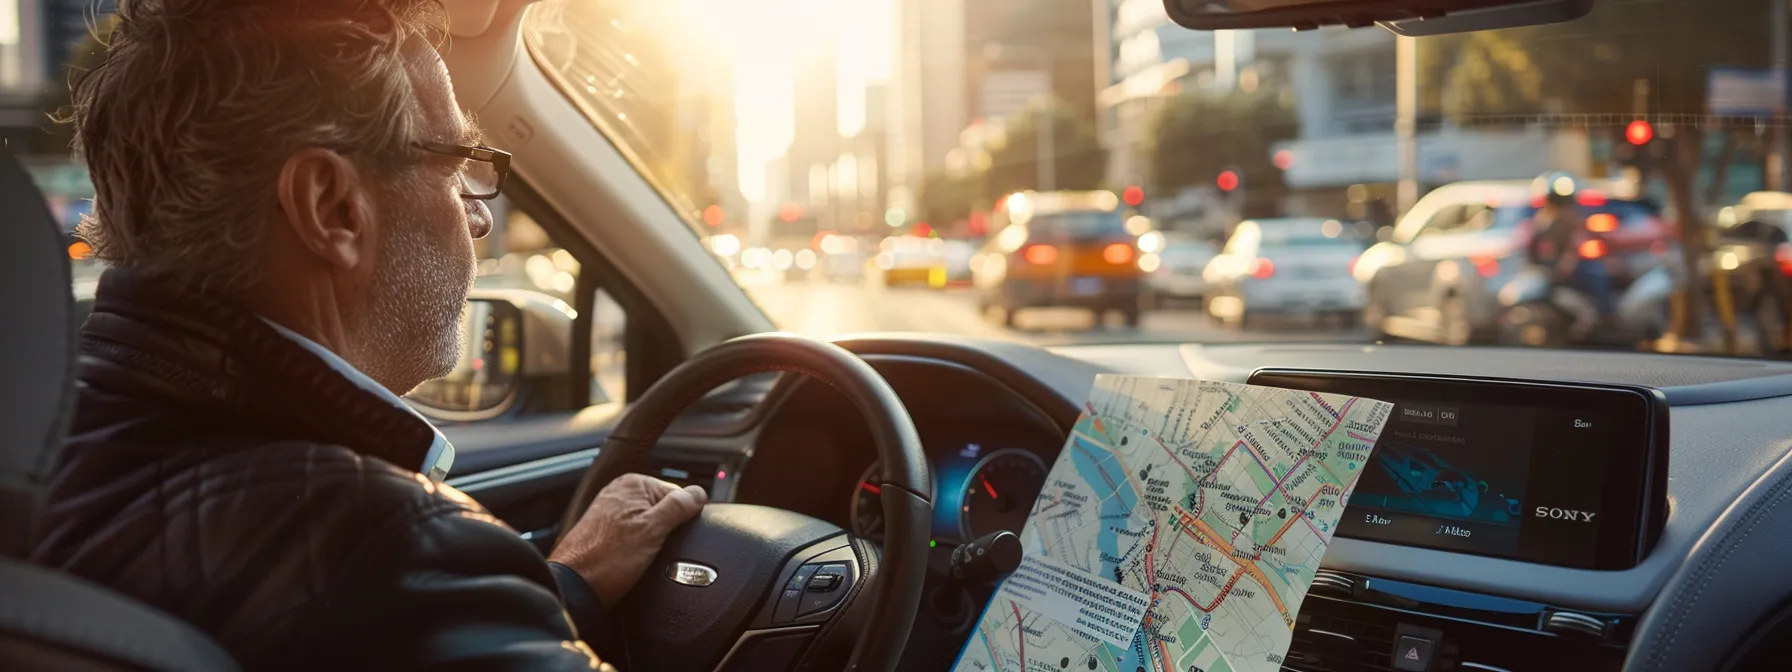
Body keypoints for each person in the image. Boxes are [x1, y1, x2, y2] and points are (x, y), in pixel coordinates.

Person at [27, 1, 703, 669]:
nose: (479, 219)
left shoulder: (40, 454)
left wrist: (562, 595)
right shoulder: (396, 553)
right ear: (334, 208)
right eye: (454, 165)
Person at [1525, 172, 1616, 321]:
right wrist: (1564, 263)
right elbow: (1553, 253)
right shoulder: (1547, 221)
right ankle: (1605, 316)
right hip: (1557, 269)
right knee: (1598, 276)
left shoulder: (1567, 217)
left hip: (1562, 266)